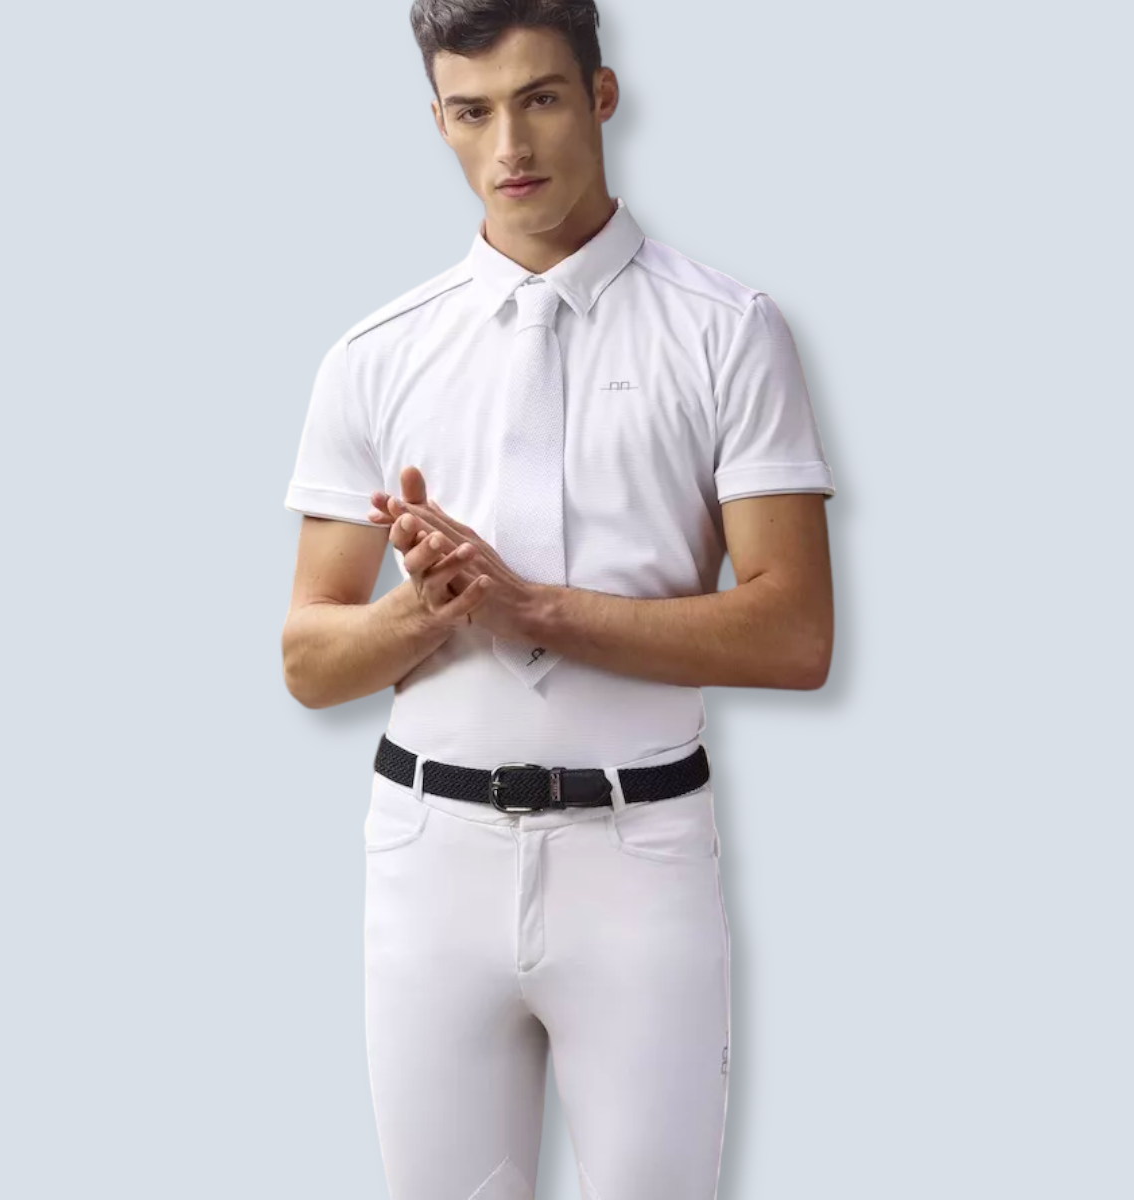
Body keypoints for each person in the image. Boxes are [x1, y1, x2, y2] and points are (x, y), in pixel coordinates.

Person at [281, 2, 835, 1196]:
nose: (510, 147)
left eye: (538, 99)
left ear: (601, 96)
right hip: (429, 862)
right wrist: (422, 611)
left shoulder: (729, 332)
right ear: (437, 120)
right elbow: (309, 661)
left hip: (638, 859)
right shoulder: (373, 355)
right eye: (472, 112)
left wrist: (531, 609)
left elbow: (795, 634)